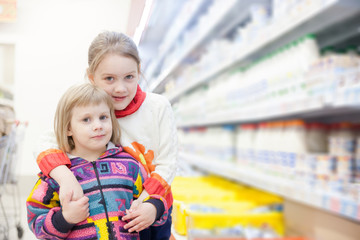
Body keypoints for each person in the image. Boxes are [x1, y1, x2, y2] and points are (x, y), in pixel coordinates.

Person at [35, 31, 178, 239]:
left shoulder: (158, 107)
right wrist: (66, 178)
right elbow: (45, 142)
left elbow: (168, 163)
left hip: (153, 207)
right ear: (92, 77)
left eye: (129, 77)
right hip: (109, 213)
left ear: (139, 71)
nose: (120, 88)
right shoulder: (91, 112)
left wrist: (149, 204)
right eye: (109, 78)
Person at [27, 83, 168, 239]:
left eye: (103, 117)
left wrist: (154, 209)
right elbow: (35, 219)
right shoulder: (56, 175)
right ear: (68, 128)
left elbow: (153, 197)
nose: (98, 126)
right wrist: (64, 218)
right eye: (86, 119)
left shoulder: (130, 165)